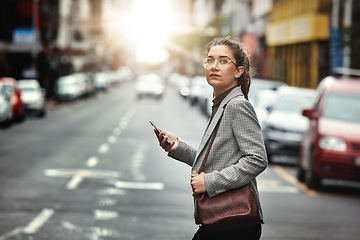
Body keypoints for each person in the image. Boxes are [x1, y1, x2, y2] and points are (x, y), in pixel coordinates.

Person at [154, 36, 268, 240]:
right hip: (223, 220)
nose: (214, 66)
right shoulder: (221, 103)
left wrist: (210, 182)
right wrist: (177, 147)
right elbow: (218, 159)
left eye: (224, 61)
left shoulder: (236, 105)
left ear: (239, 71)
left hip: (234, 221)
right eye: (210, 60)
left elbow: (257, 159)